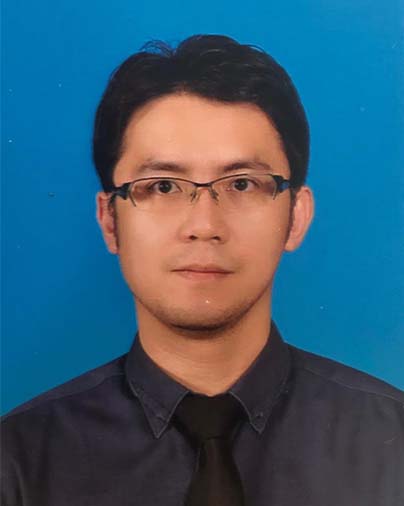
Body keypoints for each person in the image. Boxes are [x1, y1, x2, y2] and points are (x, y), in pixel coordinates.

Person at [1, 34, 403, 506]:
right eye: (163, 186)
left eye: (242, 184)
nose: (204, 226)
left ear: (296, 216)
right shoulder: (17, 463)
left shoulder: (392, 443)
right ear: (110, 221)